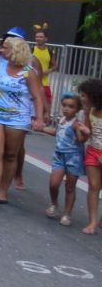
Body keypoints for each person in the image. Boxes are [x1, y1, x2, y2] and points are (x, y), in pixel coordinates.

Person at [0, 36, 45, 207]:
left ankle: (3, 190)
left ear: (16, 51)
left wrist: (38, 118)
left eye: (5, 48)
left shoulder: (28, 72)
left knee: (10, 155)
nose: (1, 50)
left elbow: (37, 97)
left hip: (18, 118)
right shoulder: (0, 67)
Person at [44, 93, 85, 227]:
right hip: (59, 155)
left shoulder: (76, 124)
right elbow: (56, 132)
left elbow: (81, 140)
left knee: (70, 187)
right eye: (64, 106)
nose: (66, 109)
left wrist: (82, 132)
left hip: (73, 157)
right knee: (53, 184)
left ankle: (67, 213)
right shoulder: (61, 120)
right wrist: (43, 128)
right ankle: (54, 203)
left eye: (71, 107)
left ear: (77, 109)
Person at [77, 80, 102, 235]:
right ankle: (92, 221)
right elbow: (85, 137)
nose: (82, 98)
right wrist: (82, 130)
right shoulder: (89, 110)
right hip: (93, 151)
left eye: (84, 95)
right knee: (93, 187)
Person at [33, 24, 58, 113]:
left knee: (46, 105)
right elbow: (26, 65)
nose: (38, 39)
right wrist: (32, 72)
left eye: (40, 37)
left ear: (46, 39)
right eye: (37, 37)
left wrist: (48, 71)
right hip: (33, 82)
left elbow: (55, 66)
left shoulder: (50, 52)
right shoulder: (32, 50)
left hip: (45, 83)